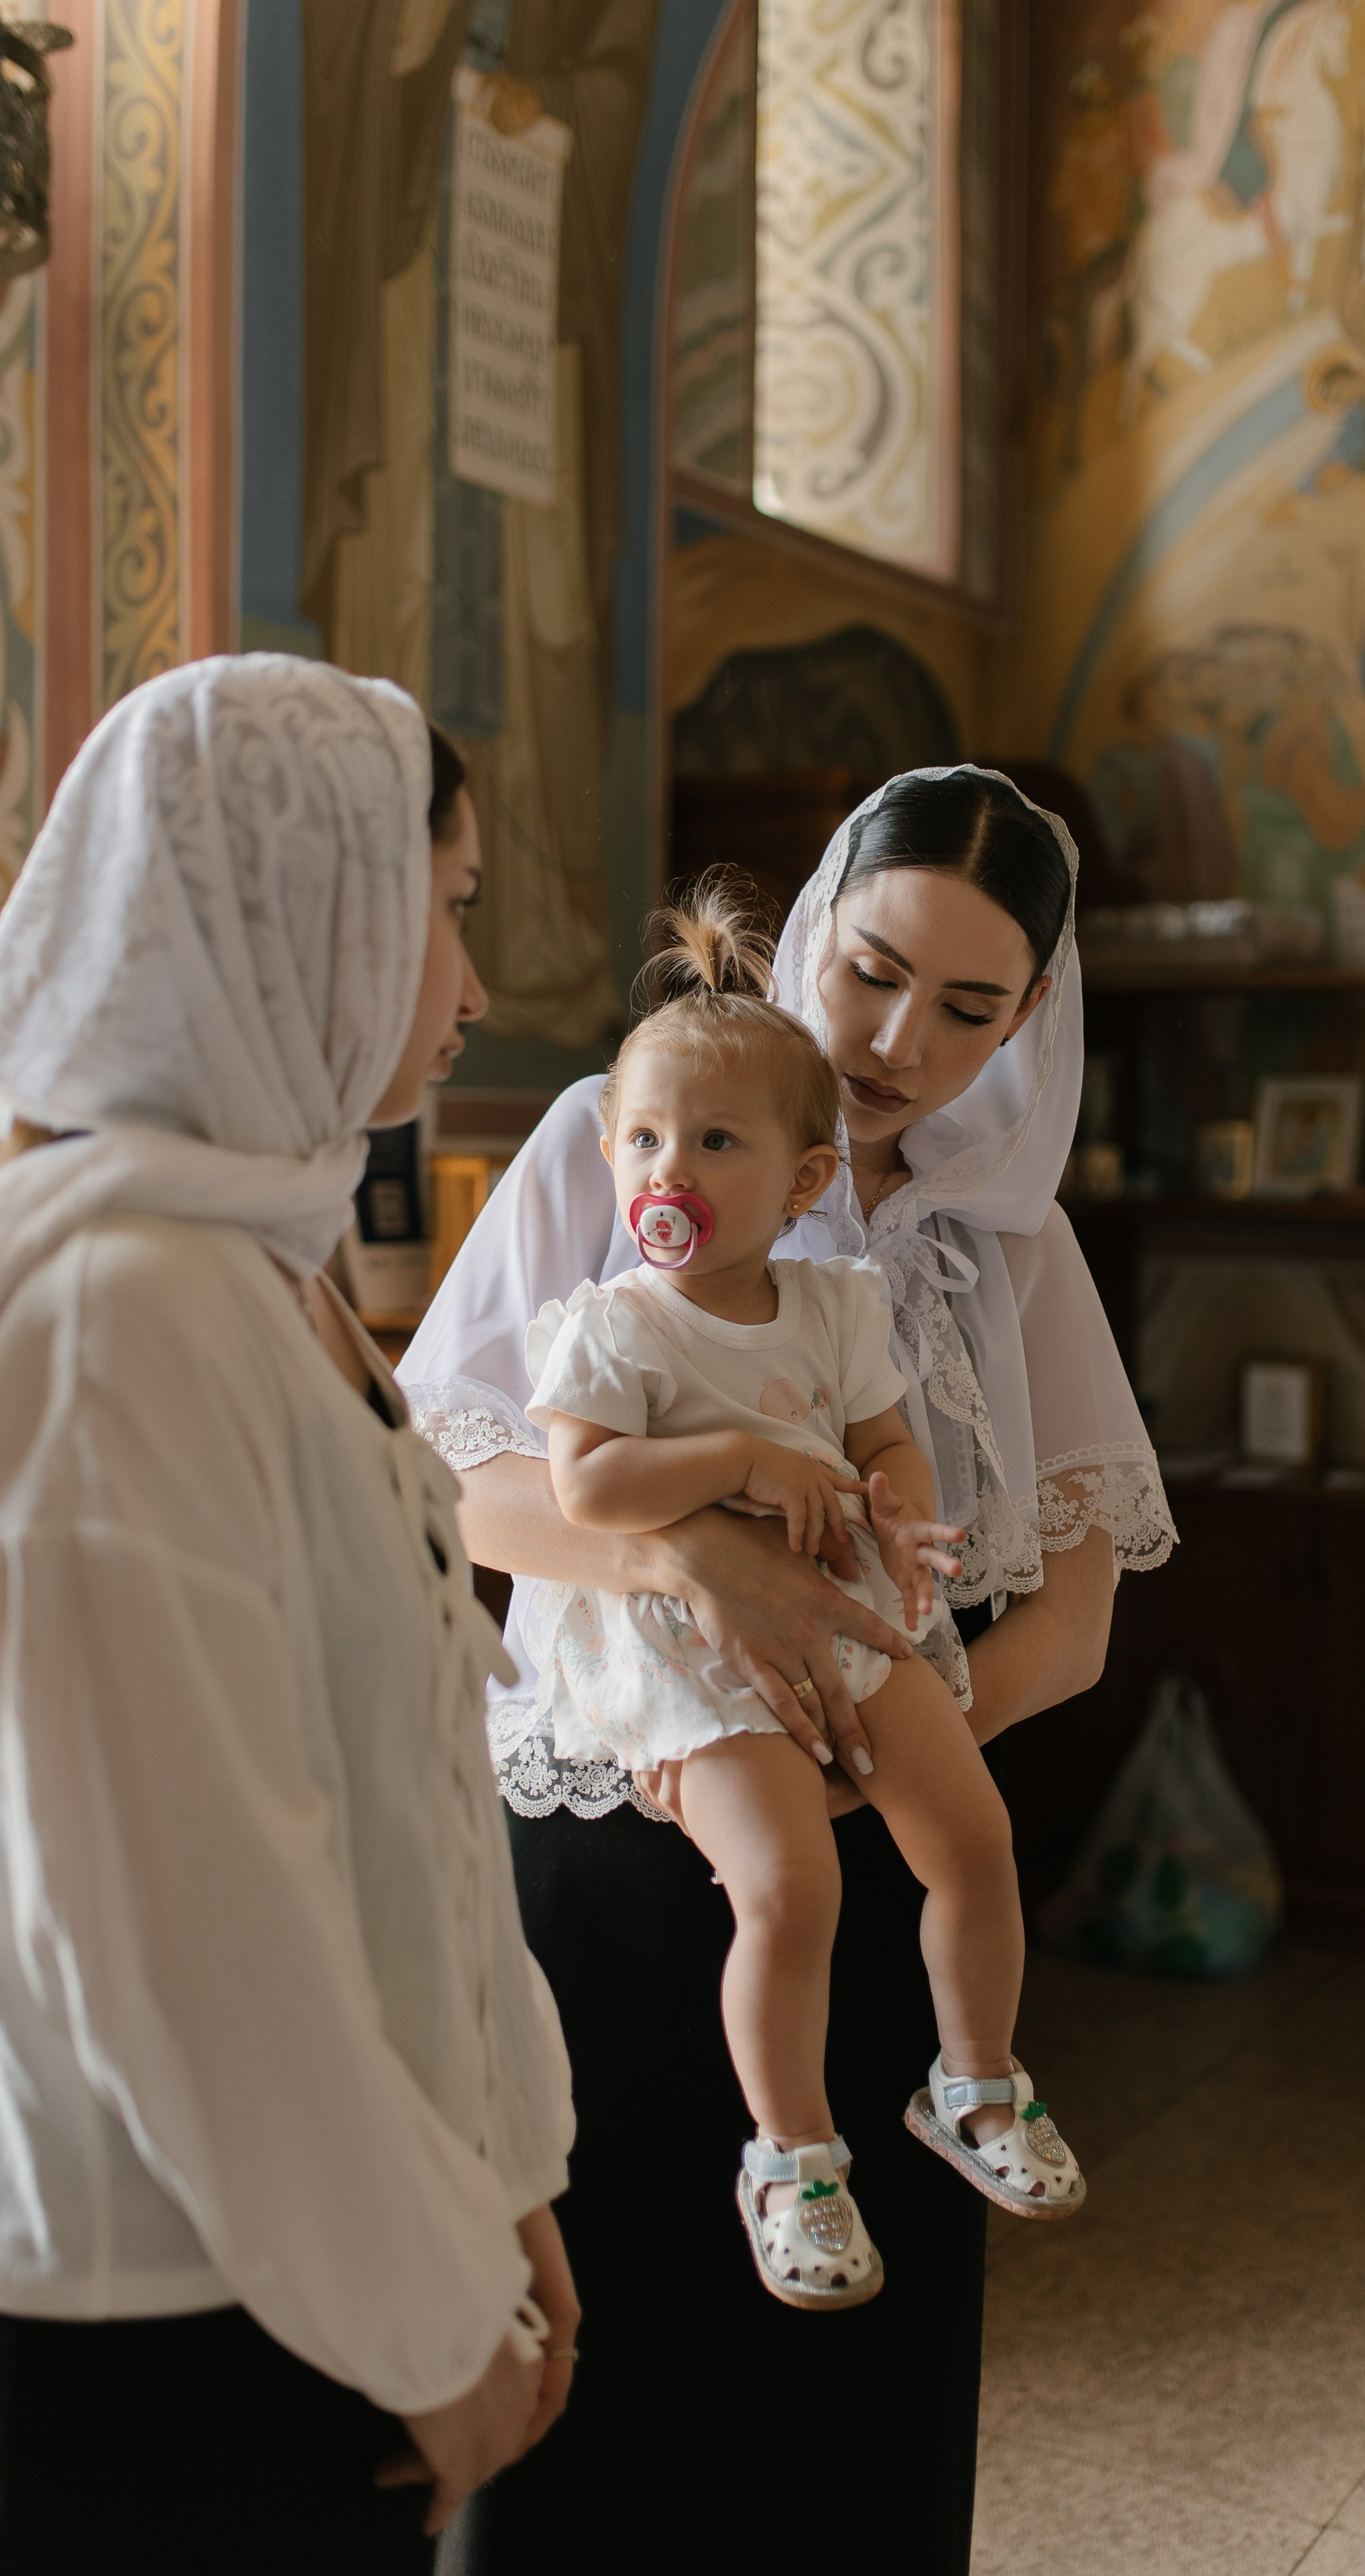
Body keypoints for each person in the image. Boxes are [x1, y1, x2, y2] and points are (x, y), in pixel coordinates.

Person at [402, 765, 1176, 2576]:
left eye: (972, 1009)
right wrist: (703, 1576)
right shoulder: (629, 1130)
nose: (902, 1041)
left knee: (845, 2392)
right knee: (612, 2334)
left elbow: (1071, 1614)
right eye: (876, 970)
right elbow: (465, 1491)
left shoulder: (1014, 1244)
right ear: (816, 917)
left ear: (1031, 1024)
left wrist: (882, 1740)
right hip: (614, 1809)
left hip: (881, 1826)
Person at [0, 657, 579, 2576]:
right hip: (143, 2322)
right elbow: (188, 1923)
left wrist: (505, 2192)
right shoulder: (107, 1313)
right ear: (304, 904)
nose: (470, 985)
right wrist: (424, 2311)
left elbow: (402, 1803)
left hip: (300, 2267)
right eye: (451, 905)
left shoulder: (254, 1276)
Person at [522, 887, 1085, 2311]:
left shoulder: (835, 1304)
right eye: (645, 1139)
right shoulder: (613, 1326)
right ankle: (789, 2154)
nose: (674, 1167)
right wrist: (737, 1458)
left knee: (969, 1830)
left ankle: (973, 2080)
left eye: (715, 1141)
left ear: (799, 1179)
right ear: (608, 1153)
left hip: (843, 1607)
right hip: (680, 1648)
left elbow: (883, 1433)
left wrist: (895, 1506)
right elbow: (584, 1493)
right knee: (789, 1883)